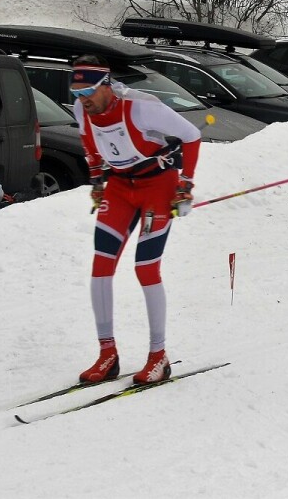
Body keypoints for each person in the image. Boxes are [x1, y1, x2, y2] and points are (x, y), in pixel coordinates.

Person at [71, 54, 202, 385]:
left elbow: (191, 135)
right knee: (101, 267)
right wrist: (97, 181)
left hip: (157, 187)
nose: (83, 99)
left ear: (105, 85)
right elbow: (90, 144)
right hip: (119, 189)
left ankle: (159, 355)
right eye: (77, 93)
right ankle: (107, 354)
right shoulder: (82, 110)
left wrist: (185, 185)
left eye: (87, 92)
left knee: (145, 268)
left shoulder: (141, 107)